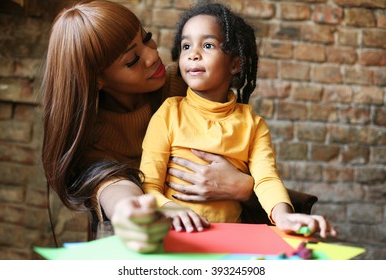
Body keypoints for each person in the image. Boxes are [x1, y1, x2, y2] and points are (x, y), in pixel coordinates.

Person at [41, 0, 255, 253]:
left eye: (147, 38)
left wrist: (244, 187)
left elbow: (248, 154)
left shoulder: (186, 84)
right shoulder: (94, 137)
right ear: (96, 78)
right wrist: (129, 210)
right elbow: (113, 186)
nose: (153, 56)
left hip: (219, 233)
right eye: (132, 60)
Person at [140, 1, 337, 238]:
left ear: (235, 63)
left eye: (208, 44)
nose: (193, 54)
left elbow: (266, 179)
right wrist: (170, 209)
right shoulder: (169, 113)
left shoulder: (253, 125)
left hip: (231, 240)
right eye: (186, 46)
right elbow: (148, 185)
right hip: (175, 235)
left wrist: (283, 216)